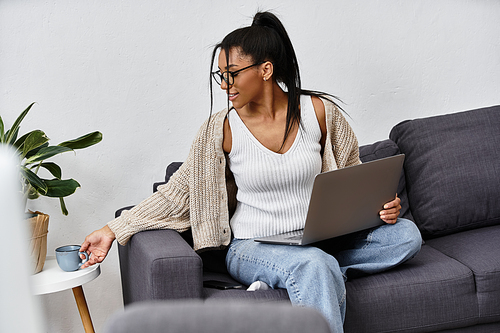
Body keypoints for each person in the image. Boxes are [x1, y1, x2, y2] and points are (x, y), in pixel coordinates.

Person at [81, 11, 422, 332]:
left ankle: (312, 276)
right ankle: (313, 274)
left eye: (232, 73)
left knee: (406, 236)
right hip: (252, 246)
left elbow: (353, 176)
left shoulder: (320, 112)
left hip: (318, 239)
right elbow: (177, 194)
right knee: (316, 266)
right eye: (220, 75)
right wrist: (113, 229)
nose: (224, 83)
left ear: (265, 70)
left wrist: (381, 207)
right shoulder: (221, 130)